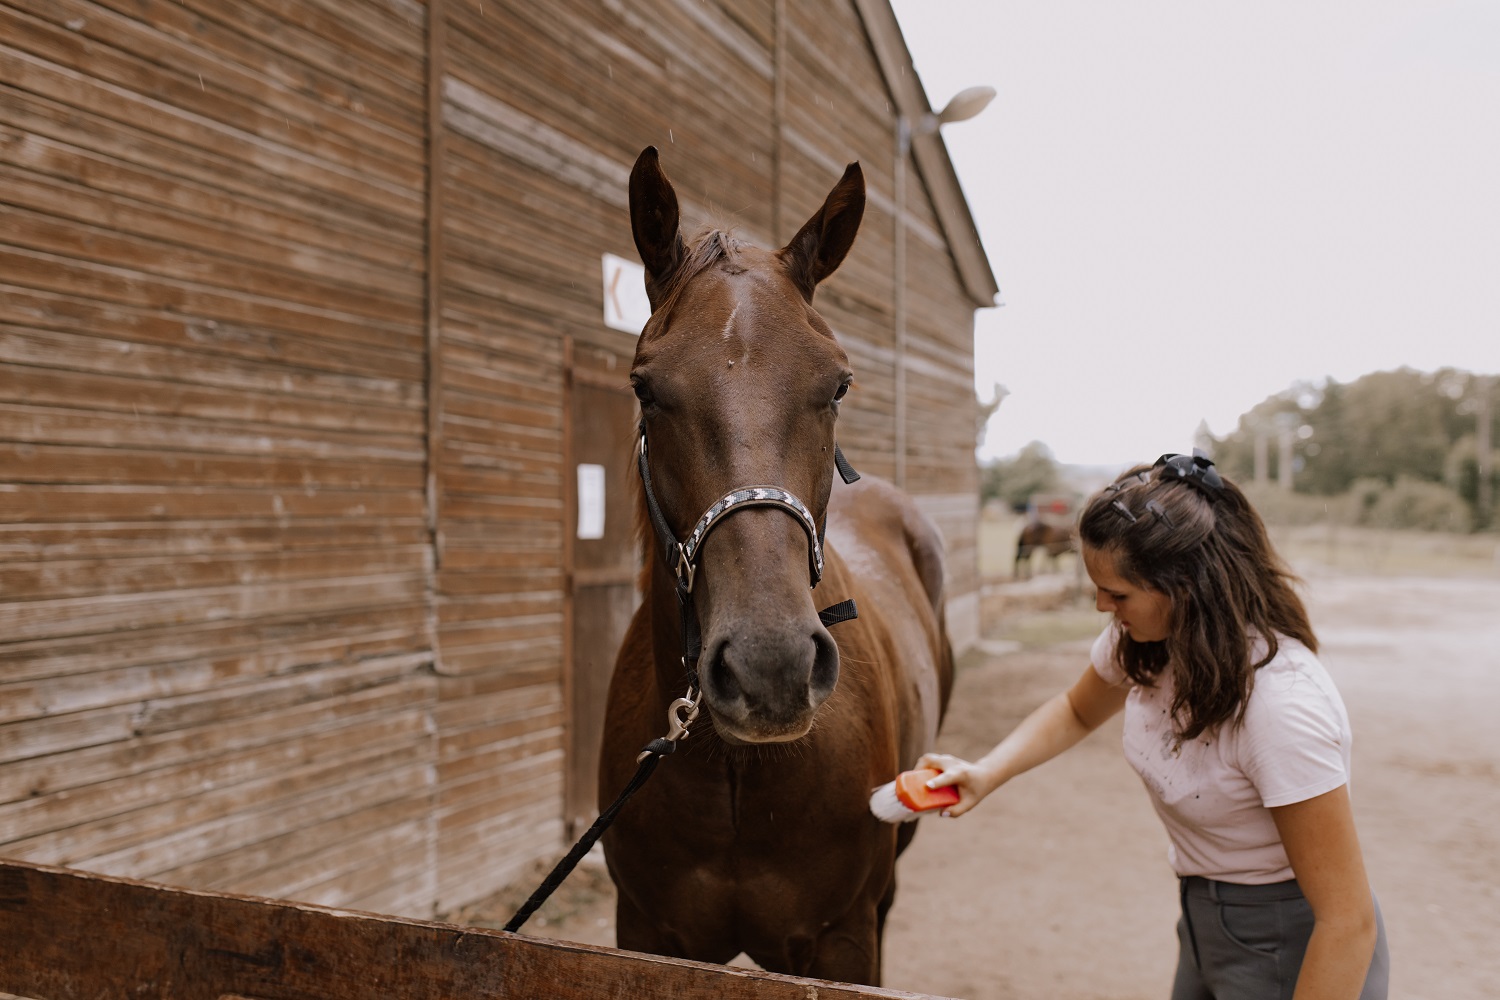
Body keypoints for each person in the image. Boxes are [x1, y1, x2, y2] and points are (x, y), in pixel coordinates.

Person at [923, 452, 1389, 1000]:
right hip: (1202, 920)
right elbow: (1076, 710)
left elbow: (1347, 921)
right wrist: (985, 772)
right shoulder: (1149, 644)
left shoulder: (1279, 706)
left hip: (1291, 943)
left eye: (1117, 593)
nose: (1101, 606)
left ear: (1186, 586)